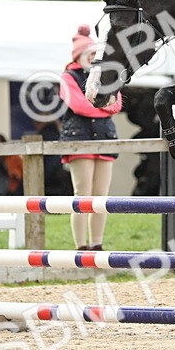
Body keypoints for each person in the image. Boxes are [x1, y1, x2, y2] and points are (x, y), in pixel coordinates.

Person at [59, 25, 122, 251]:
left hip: (104, 138)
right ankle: (81, 246)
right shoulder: (68, 77)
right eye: (90, 53)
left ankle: (97, 244)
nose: (94, 57)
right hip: (80, 140)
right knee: (82, 194)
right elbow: (78, 106)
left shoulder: (105, 73)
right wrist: (102, 106)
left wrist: (98, 106)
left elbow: (116, 104)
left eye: (96, 53)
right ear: (78, 55)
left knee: (101, 197)